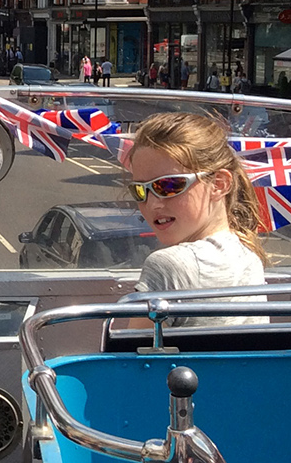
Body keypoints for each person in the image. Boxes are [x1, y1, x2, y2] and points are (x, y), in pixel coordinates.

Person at [116, 113, 271, 328]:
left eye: (168, 186)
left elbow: (132, 360)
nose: (152, 204)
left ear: (219, 184)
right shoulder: (250, 258)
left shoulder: (166, 265)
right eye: (140, 190)